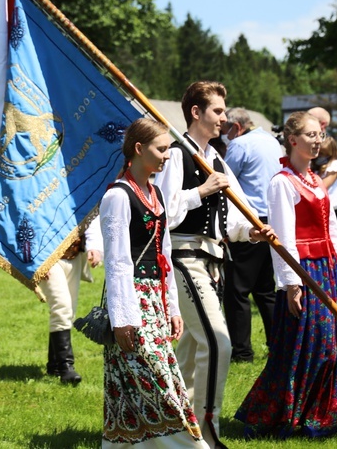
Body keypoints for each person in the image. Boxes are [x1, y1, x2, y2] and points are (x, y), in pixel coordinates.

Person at [152, 81, 271, 446]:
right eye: (218, 111)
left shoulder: (217, 158)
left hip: (214, 260)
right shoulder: (175, 155)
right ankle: (206, 432)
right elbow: (163, 213)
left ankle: (170, 430)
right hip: (184, 259)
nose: (224, 117)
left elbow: (231, 219)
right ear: (196, 112)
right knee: (219, 342)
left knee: (188, 352)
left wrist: (250, 232)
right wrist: (201, 190)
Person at [235, 111, 337, 439]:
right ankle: (276, 414)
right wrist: (291, 284)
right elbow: (283, 240)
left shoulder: (316, 180)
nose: (318, 140)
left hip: (327, 269)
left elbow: (331, 230)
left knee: (332, 345)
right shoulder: (281, 182)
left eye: (319, 135)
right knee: (309, 346)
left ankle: (325, 415)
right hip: (303, 271)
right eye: (311, 135)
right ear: (292, 140)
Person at [100, 117, 206, 447]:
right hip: (131, 301)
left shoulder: (155, 192)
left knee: (141, 381)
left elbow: (164, 252)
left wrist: (171, 306)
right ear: (138, 148)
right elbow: (117, 263)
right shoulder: (118, 197)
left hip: (154, 298)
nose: (167, 155)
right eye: (162, 149)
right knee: (154, 377)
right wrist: (123, 320)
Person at [222, 107, 282, 363]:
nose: (224, 135)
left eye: (226, 130)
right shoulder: (271, 141)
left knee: (236, 290)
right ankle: (277, 345)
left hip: (248, 224)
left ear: (236, 127)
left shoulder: (240, 145)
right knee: (265, 289)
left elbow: (225, 179)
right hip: (271, 221)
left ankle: (242, 351)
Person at [41, 217, 102, 384]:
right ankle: (66, 368)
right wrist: (36, 259)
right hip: (48, 257)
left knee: (68, 313)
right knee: (62, 307)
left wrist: (94, 247)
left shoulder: (80, 190)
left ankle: (54, 365)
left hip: (74, 256)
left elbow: (90, 217)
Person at [311, 136, 337, 210]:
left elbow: (322, 187)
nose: (319, 156)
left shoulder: (335, 165)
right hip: (318, 208)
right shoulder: (316, 168)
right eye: (318, 153)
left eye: (323, 153)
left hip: (332, 209)